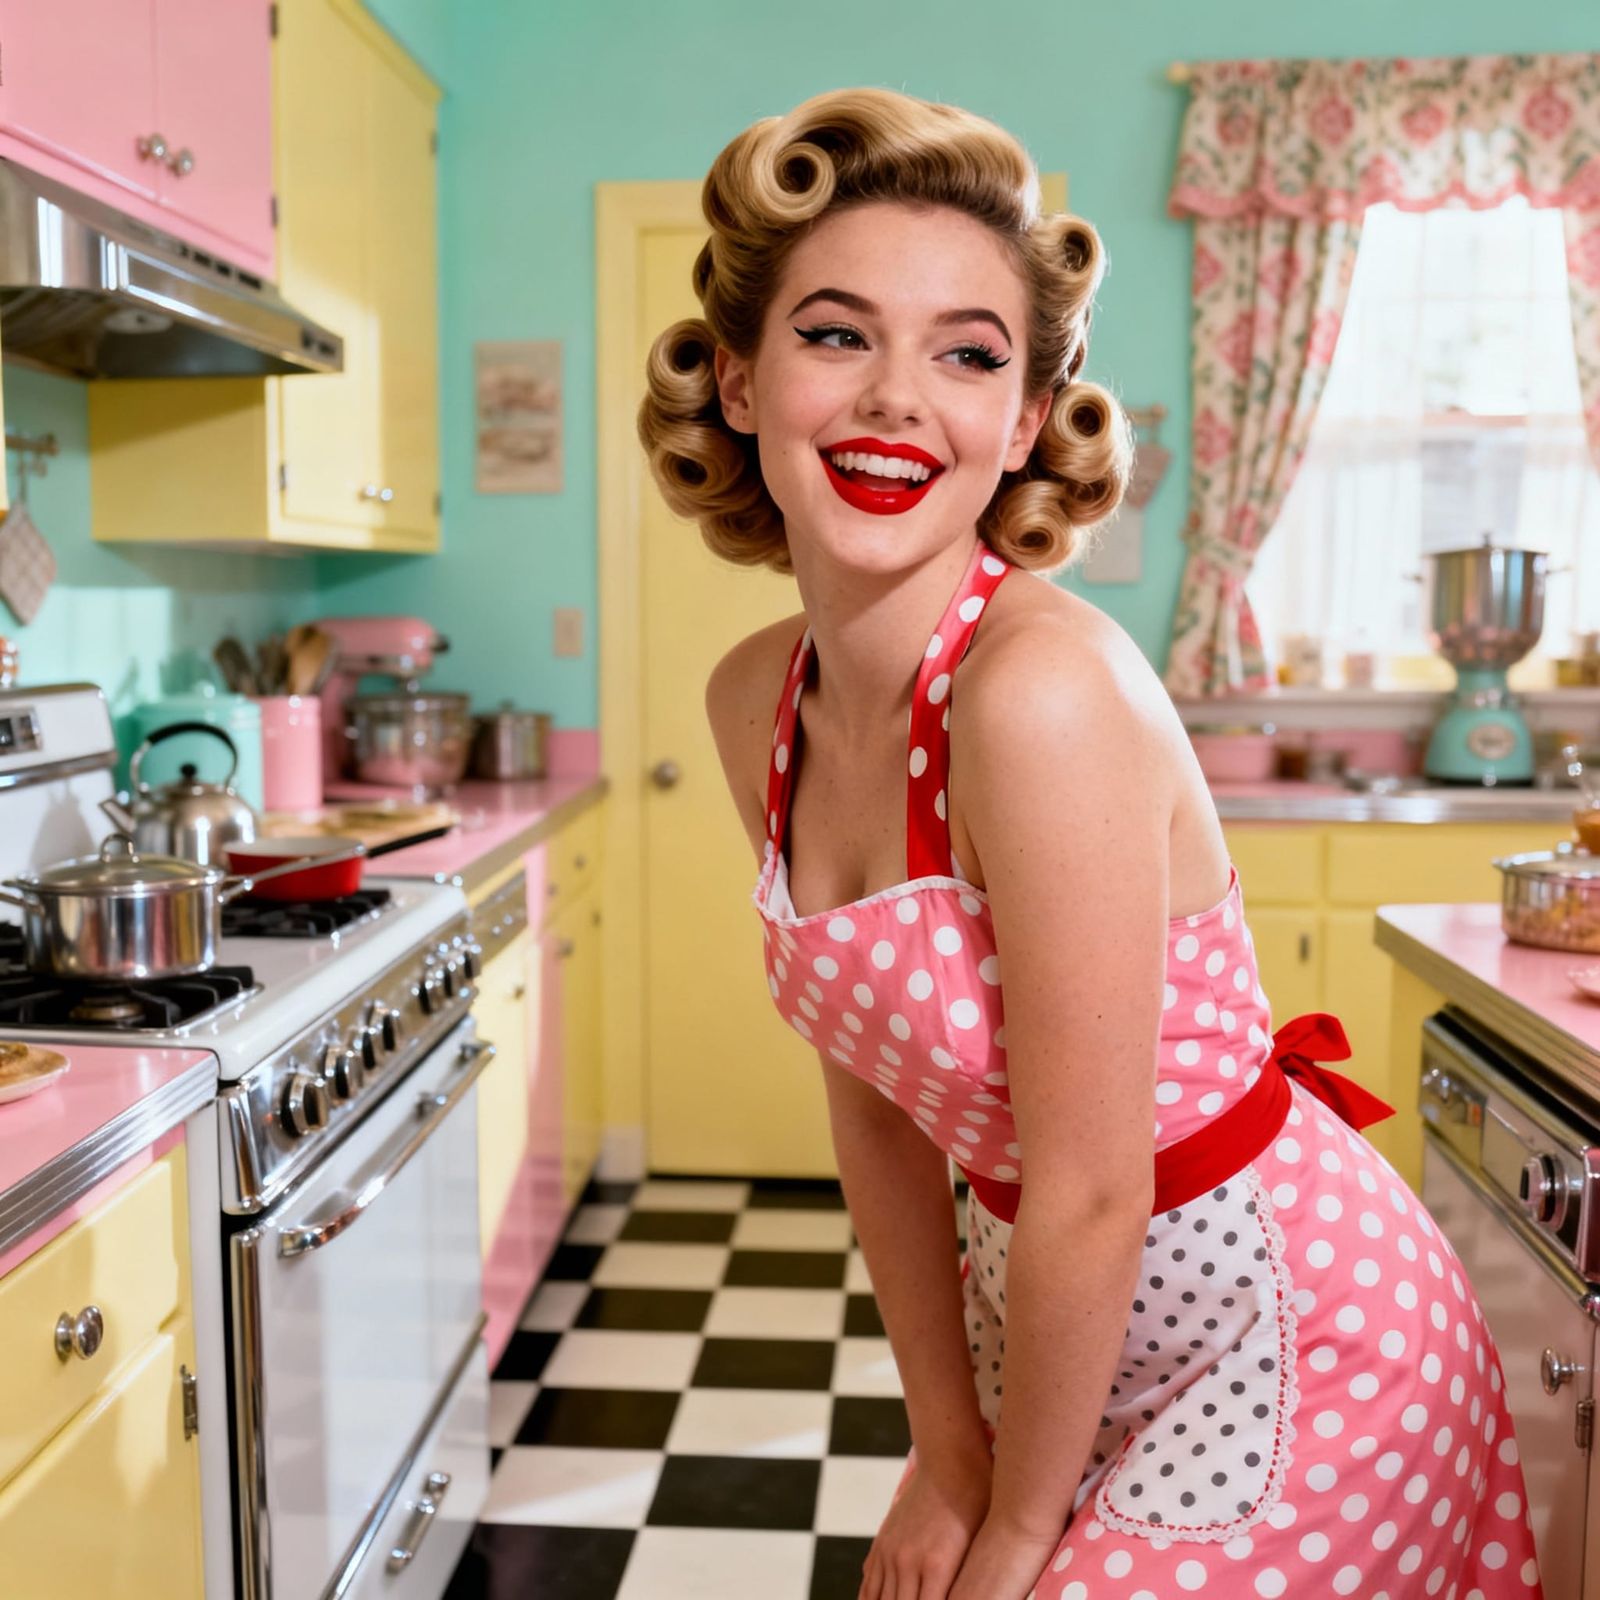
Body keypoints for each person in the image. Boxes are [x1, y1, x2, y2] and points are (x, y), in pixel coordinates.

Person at [639, 85, 1543, 1600]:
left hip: (1287, 1341)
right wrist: (948, 1449)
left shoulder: (1037, 695)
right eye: (836, 333)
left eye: (970, 354)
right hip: (1058, 1318)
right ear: (738, 379)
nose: (897, 399)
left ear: (1024, 419)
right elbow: (873, 1108)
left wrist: (1007, 1527)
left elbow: (1092, 1186)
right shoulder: (757, 701)